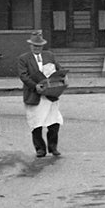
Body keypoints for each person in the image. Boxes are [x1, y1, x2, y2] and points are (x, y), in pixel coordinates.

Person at [18, 30, 68, 158]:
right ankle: (40, 149)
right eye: (35, 46)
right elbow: (23, 76)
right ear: (30, 45)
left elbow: (59, 69)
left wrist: (64, 78)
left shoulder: (49, 55)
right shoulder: (24, 59)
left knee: (54, 122)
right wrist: (35, 86)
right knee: (36, 123)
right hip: (34, 96)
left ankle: (53, 147)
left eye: (39, 46)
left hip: (50, 95)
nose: (37, 48)